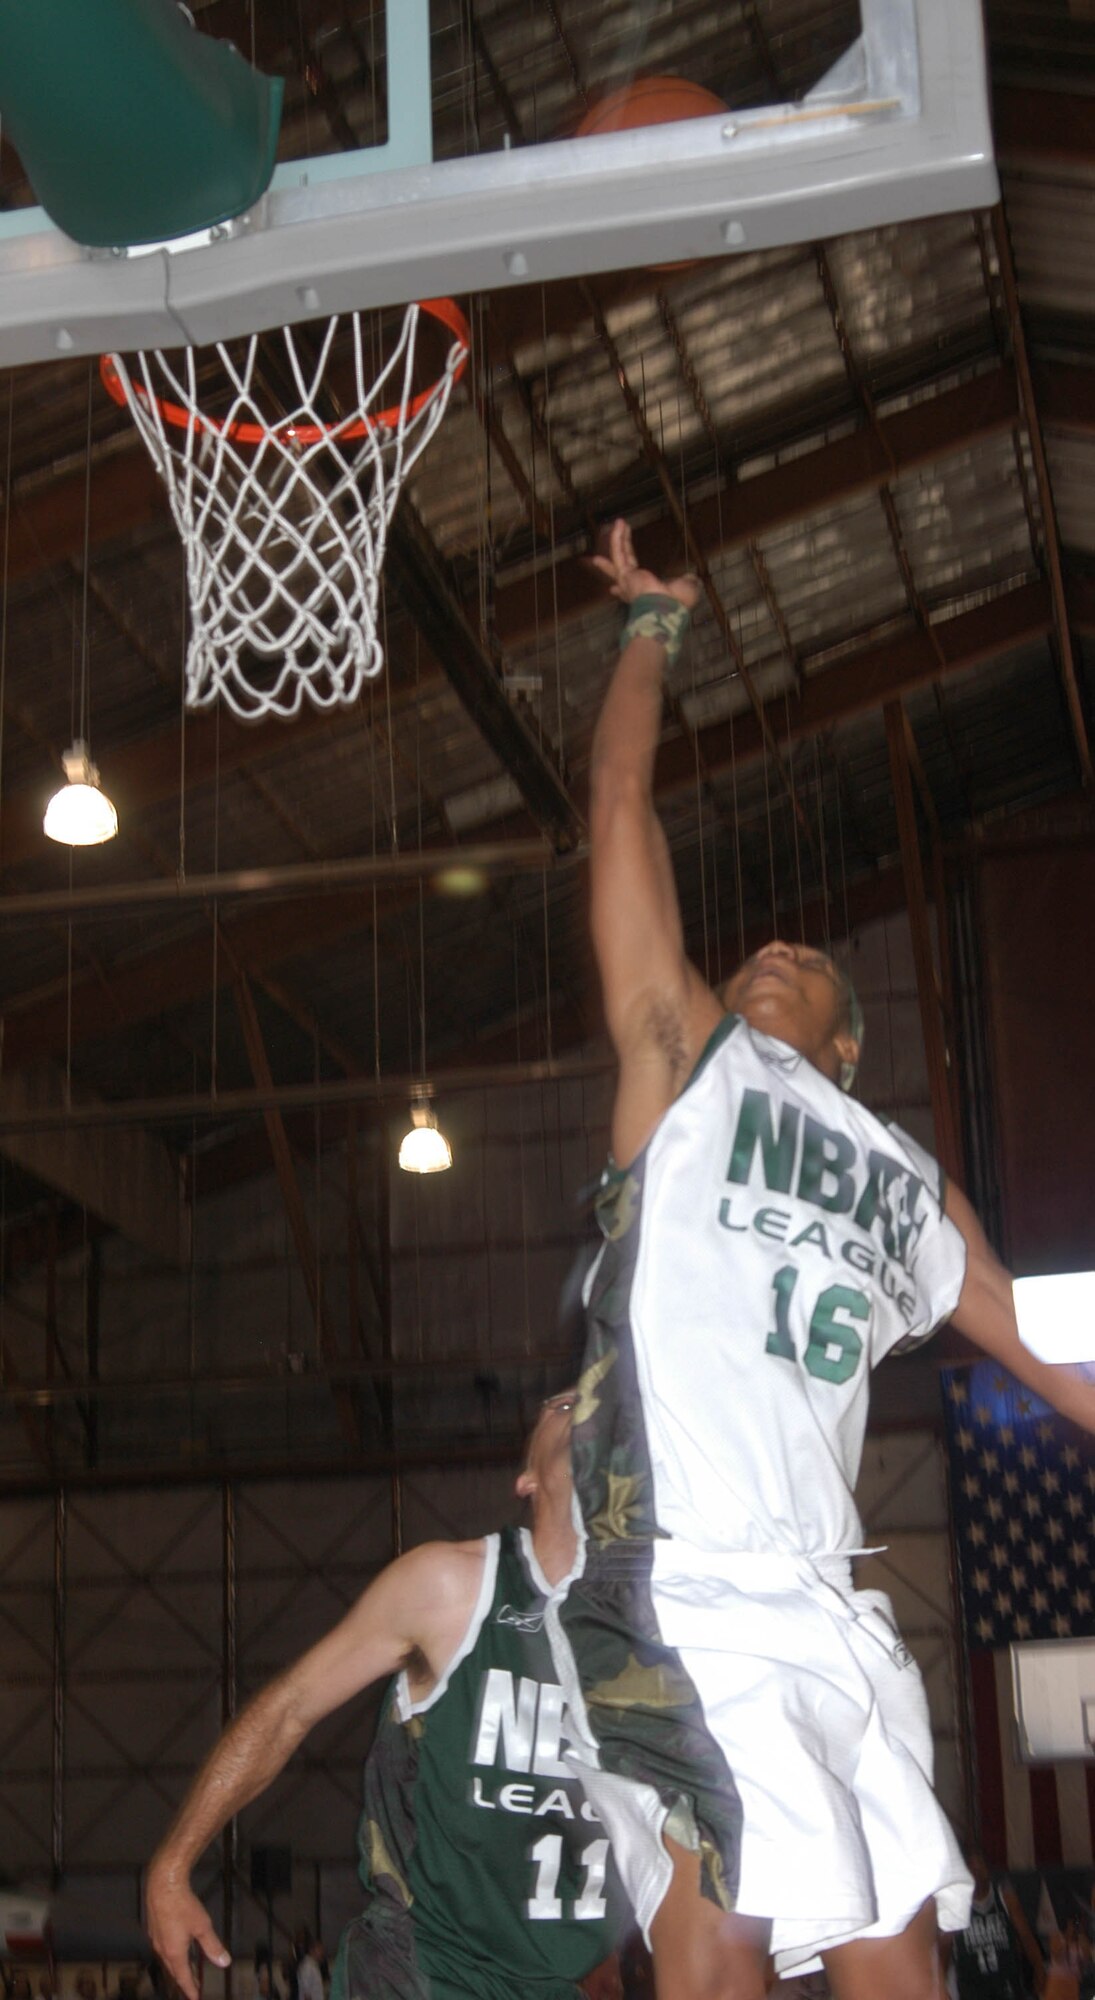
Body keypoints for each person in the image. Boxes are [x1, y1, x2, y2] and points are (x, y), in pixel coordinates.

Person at [544, 518, 1095, 2000]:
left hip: (831, 1603)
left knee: (893, 1943)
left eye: (805, 961)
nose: (772, 946)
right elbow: (612, 809)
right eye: (756, 952)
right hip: (684, 1578)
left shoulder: (910, 1183)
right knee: (716, 1937)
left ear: (847, 1043)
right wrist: (650, 631)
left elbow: (1032, 1347)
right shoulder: (684, 1059)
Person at [145, 1389, 625, 2000]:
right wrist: (171, 1864)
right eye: (562, 1403)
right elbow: (288, 1708)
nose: (586, 1403)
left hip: (555, 1984)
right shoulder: (455, 1587)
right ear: (526, 1478)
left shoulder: (668, 1643)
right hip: (422, 1968)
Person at [945, 1849, 1043, 1997]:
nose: (976, 1873)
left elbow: (1026, 1936)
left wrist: (1039, 1967)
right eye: (971, 1869)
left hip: (1006, 1984)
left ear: (988, 1871)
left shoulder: (1005, 1898)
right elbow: (944, 1949)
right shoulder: (957, 1905)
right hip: (973, 1988)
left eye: (979, 1867)